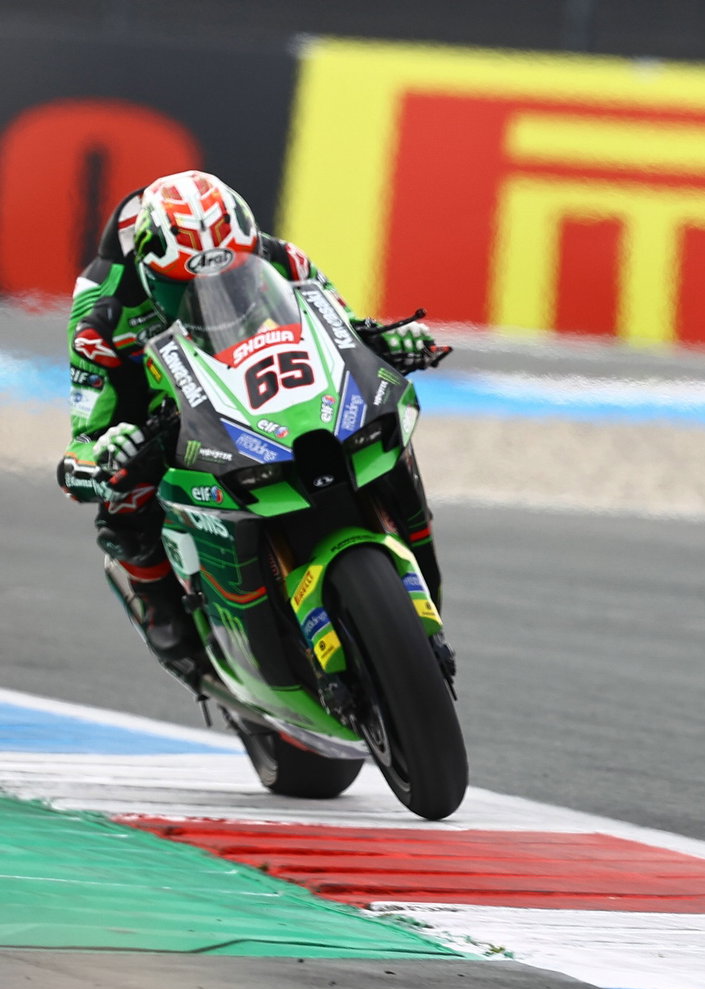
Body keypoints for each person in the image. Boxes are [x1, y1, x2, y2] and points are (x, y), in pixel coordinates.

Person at [55, 170, 445, 680]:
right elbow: (82, 442)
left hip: (262, 384)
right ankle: (158, 603)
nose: (210, 292)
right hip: (156, 401)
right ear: (151, 273)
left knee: (378, 408)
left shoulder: (279, 258)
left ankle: (409, 538)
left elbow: (345, 335)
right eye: (184, 286)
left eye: (234, 271)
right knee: (123, 492)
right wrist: (105, 449)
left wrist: (391, 344)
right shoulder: (102, 317)